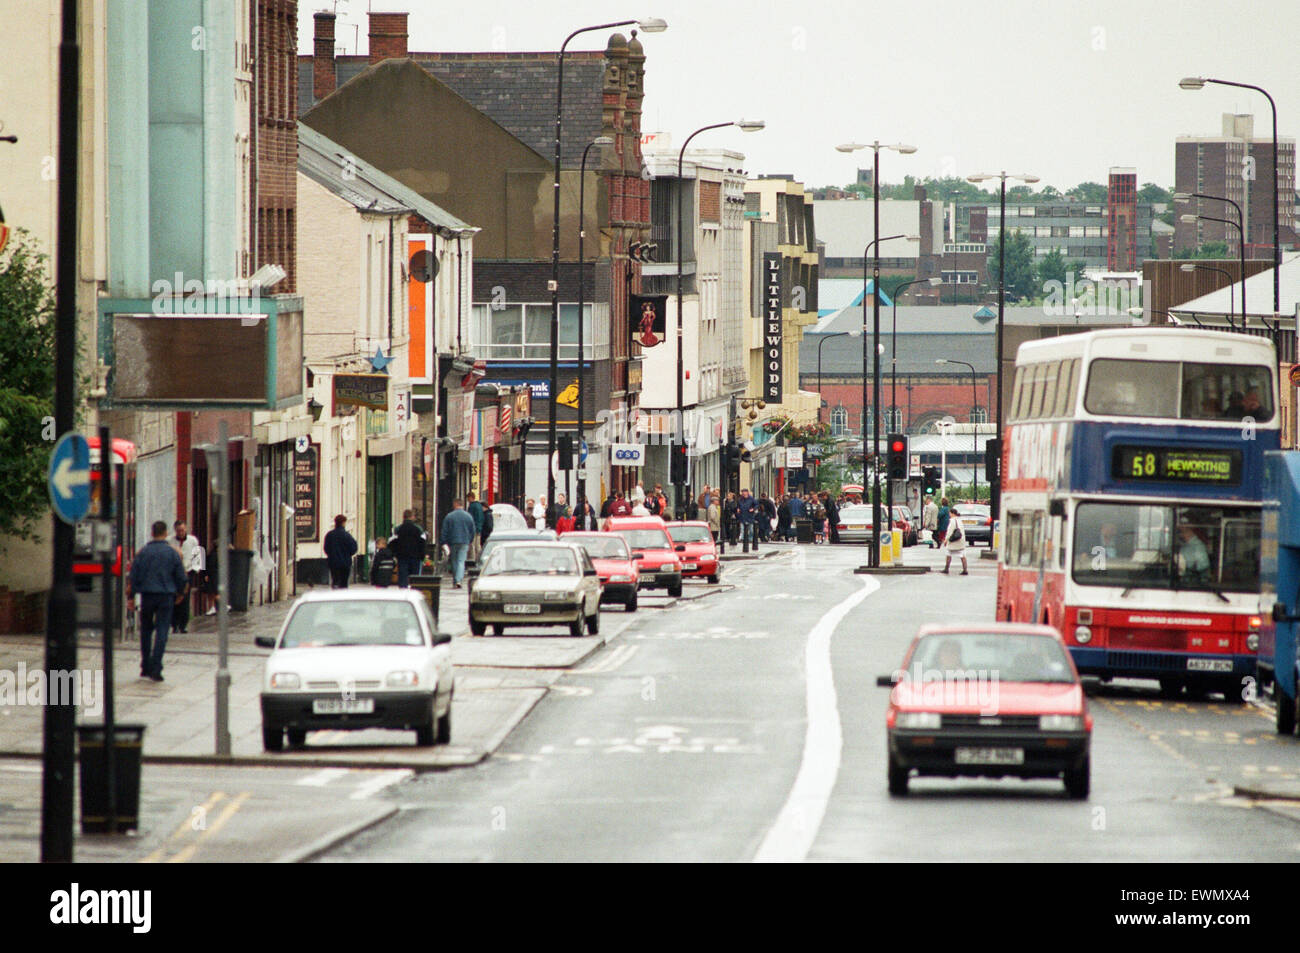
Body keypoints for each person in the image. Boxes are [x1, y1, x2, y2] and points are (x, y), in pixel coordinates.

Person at [128, 520, 188, 682]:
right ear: (166, 532)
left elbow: (133, 576)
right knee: (162, 630)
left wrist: (131, 597)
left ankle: (145, 665)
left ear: (152, 533)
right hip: (166, 596)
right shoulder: (172, 553)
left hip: (147, 595)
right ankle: (156, 666)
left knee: (146, 630)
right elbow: (181, 576)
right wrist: (181, 592)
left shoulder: (143, 552)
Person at [168, 520, 200, 633]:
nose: (181, 532)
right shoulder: (169, 541)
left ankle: (183, 624)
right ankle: (174, 624)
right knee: (174, 598)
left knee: (185, 599)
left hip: (187, 572)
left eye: (182, 530)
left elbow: (198, 555)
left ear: (186, 529)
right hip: (174, 573)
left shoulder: (193, 540)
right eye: (178, 530)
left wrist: (196, 571)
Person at [439, 500, 477, 588]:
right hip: (464, 542)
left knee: (454, 561)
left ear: (455, 504)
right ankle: (459, 580)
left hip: (453, 542)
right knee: (461, 561)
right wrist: (470, 540)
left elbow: (445, 530)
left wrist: (443, 542)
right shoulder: (468, 516)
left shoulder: (449, 516)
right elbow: (472, 530)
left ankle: (456, 580)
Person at [389, 509, 428, 588]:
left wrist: (394, 554)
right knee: (415, 578)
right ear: (412, 517)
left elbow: (392, 542)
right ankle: (414, 591)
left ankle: (403, 591)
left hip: (402, 556)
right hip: (416, 556)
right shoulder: (418, 529)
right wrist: (422, 556)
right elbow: (423, 543)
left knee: (403, 576)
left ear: (403, 517)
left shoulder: (398, 529)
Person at [323, 514, 358, 589]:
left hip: (333, 562)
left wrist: (331, 555)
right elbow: (354, 548)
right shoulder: (347, 535)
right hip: (345, 562)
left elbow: (326, 548)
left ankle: (335, 592)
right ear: (344, 523)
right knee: (344, 582)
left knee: (335, 580)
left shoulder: (330, 535)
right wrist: (348, 555)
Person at [941, 511, 968, 575]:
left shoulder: (952, 521)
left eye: (950, 513)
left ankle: (946, 569)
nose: (949, 515)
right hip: (960, 541)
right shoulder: (960, 520)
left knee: (948, 554)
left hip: (953, 541)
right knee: (962, 555)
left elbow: (949, 532)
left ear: (953, 513)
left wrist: (946, 540)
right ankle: (965, 569)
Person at [466, 492, 485, 563]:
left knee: (472, 546)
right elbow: (482, 517)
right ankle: (480, 559)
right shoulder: (479, 505)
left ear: (471, 497)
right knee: (478, 545)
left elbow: (470, 518)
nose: (468, 500)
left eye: (468, 498)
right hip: (479, 528)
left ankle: (473, 560)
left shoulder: (472, 506)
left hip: (473, 528)